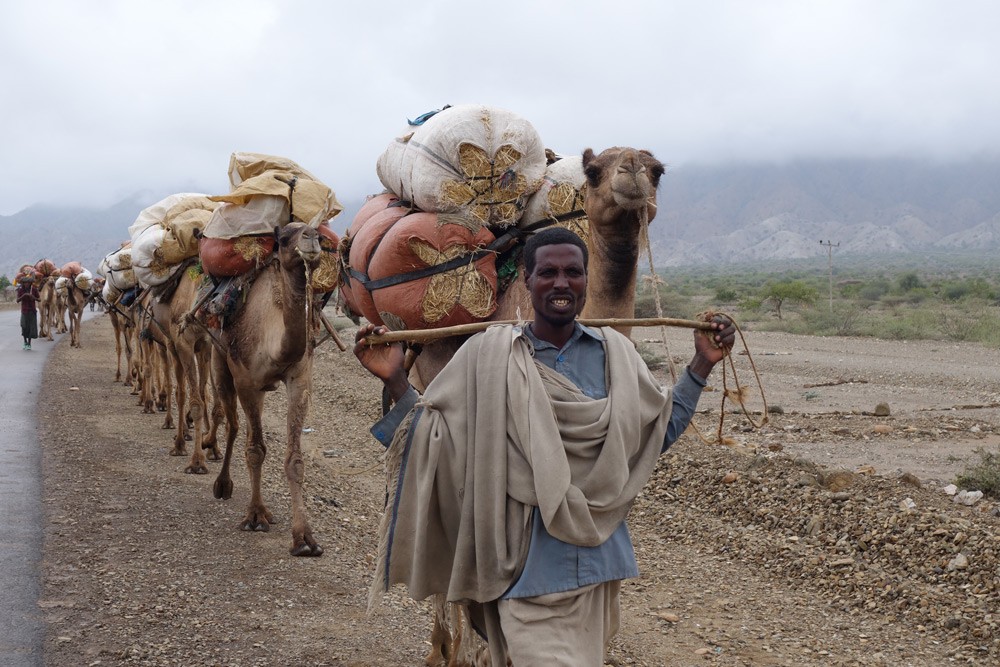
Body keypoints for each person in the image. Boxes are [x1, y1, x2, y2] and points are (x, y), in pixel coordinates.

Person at [354, 227, 736, 666]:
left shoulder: (617, 356)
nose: (561, 283)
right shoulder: (486, 357)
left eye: (573, 272)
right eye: (548, 272)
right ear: (527, 281)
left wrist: (702, 364)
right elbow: (435, 440)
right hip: (518, 567)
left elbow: (655, 433)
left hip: (596, 566)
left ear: (586, 282)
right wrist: (395, 379)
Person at [16, 275, 41, 350]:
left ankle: (29, 343)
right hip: (24, 311)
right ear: (23, 283)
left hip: (32, 311)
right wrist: (24, 295)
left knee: (31, 328)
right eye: (25, 283)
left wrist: (33, 297)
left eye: (28, 283)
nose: (26, 284)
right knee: (24, 326)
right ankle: (25, 341)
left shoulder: (34, 289)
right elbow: (17, 300)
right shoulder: (20, 290)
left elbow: (39, 299)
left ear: (30, 283)